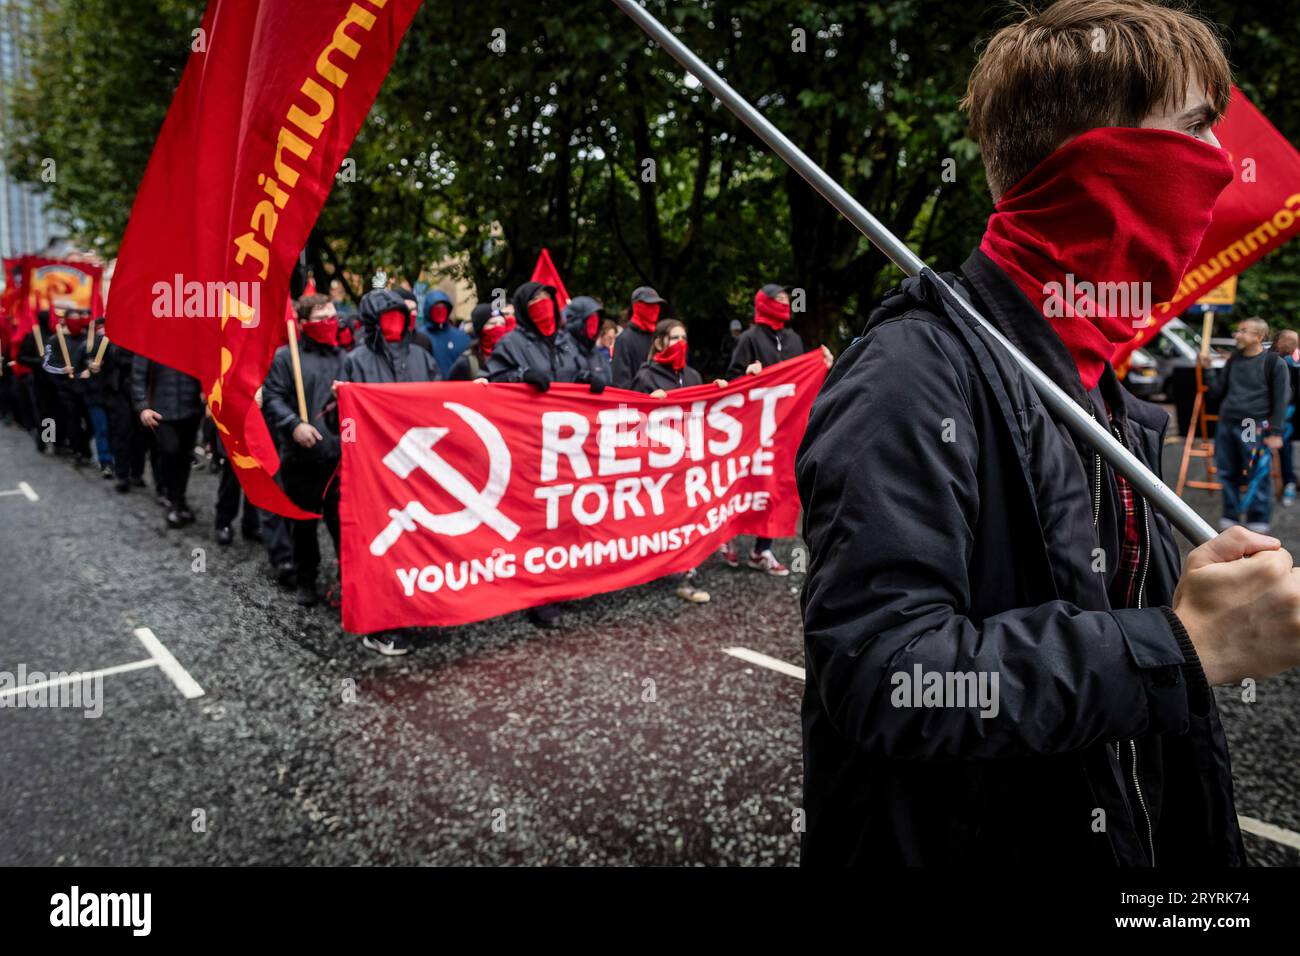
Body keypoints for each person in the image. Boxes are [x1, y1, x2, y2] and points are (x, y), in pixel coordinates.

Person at [796, 0, 1300, 867]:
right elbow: (887, 674)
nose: (1222, 165)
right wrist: (1179, 647)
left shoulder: (1095, 371)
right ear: (1099, 163)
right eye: (1192, 131)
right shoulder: (910, 373)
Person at [488, 281, 599, 628]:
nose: (543, 305)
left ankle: (562, 583)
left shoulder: (566, 342)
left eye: (546, 299)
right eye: (534, 301)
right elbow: (492, 383)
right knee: (536, 523)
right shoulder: (511, 343)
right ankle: (538, 595)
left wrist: (586, 379)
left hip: (567, 447)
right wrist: (521, 376)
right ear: (523, 308)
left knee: (566, 518)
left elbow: (572, 376)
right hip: (529, 445)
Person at [343, 289, 442, 654]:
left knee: (416, 543)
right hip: (376, 473)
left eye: (399, 315)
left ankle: (413, 609)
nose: (394, 323)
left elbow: (440, 399)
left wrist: (473, 393)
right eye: (387, 317)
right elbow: (341, 420)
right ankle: (382, 624)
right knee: (383, 547)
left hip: (419, 467)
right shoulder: (355, 361)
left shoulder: (421, 356)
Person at [721, 284, 832, 574]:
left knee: (775, 484)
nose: (786, 303)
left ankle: (762, 549)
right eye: (780, 299)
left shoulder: (794, 338)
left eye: (788, 299)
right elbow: (733, 380)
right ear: (764, 303)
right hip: (751, 426)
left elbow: (800, 379)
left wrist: (820, 365)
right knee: (743, 482)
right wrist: (748, 375)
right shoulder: (748, 339)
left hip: (782, 428)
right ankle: (725, 537)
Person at [631, 317, 729, 603]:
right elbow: (629, 424)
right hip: (658, 464)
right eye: (675, 338)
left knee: (686, 516)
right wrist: (648, 405)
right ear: (660, 342)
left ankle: (684, 572)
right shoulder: (645, 377)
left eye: (684, 338)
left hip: (688, 461)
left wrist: (719, 393)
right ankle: (663, 568)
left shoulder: (694, 376)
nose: (680, 344)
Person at [264, 293, 345, 606]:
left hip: (339, 459)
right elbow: (272, 398)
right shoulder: (287, 358)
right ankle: (306, 580)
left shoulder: (343, 357)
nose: (330, 323)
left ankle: (347, 579)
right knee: (304, 524)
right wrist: (294, 424)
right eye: (323, 317)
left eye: (333, 316)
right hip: (301, 458)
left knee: (342, 524)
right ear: (303, 323)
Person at [1205, 317, 1289, 532]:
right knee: (1226, 471)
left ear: (1258, 337)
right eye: (1238, 330)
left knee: (1254, 472)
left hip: (1251, 423)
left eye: (1243, 331)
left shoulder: (1273, 362)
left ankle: (1258, 518)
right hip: (1226, 422)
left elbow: (1281, 398)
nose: (1237, 335)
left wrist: (1276, 432)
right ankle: (1230, 515)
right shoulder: (1234, 359)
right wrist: (1207, 370)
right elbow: (1216, 393)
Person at [131, 354, 203, 528]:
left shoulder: (194, 340)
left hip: (191, 408)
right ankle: (172, 499)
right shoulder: (149, 342)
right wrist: (143, 406)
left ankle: (180, 499)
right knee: (170, 452)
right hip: (161, 411)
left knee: (184, 456)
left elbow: (206, 368)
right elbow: (138, 376)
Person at [610, 286, 666, 389]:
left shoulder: (660, 336)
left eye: (656, 305)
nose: (654, 308)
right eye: (649, 304)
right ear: (637, 306)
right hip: (639, 402)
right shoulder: (624, 339)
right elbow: (621, 382)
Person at [1268, 328, 1300, 505]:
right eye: (1291, 341)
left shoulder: (1294, 359)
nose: (1294, 345)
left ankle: (1289, 482)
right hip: (1263, 411)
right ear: (1279, 341)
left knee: (1284, 444)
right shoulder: (1265, 357)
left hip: (1287, 410)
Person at [448, 303, 512, 382]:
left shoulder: (512, 357)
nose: (499, 328)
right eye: (492, 324)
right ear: (480, 329)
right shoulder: (467, 362)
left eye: (502, 324)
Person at [562, 296, 611, 393]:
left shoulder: (599, 357)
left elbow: (611, 386)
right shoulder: (560, 352)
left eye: (597, 320)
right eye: (590, 319)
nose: (594, 324)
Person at [418, 288, 470, 376]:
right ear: (428, 309)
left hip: (456, 387)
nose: (440, 310)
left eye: (443, 307)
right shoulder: (420, 337)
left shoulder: (461, 337)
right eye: (436, 307)